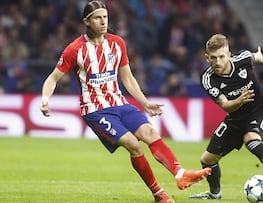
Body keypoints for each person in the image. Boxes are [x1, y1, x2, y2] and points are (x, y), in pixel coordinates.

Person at [39, 1, 211, 203]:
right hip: (96, 110)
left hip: (119, 103)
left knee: (151, 133)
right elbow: (52, 78)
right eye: (97, 18)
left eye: (105, 17)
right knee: (133, 144)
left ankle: (180, 174)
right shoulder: (75, 50)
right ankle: (158, 194)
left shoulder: (117, 43)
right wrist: (45, 98)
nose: (103, 21)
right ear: (87, 21)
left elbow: (127, 78)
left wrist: (145, 104)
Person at [189, 34, 263, 201]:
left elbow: (256, 57)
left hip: (259, 111)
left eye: (222, 57)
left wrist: (259, 57)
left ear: (229, 55)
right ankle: (214, 194)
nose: (218, 62)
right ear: (206, 57)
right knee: (207, 160)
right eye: (213, 58)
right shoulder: (208, 79)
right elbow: (225, 105)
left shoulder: (243, 58)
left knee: (251, 140)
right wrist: (239, 100)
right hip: (235, 118)